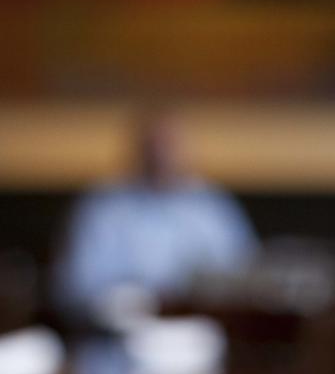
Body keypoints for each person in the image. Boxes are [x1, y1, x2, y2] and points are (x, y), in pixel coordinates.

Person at [53, 112, 257, 324]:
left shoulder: (212, 206)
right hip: (116, 333)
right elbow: (72, 287)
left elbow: (245, 277)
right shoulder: (102, 208)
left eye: (170, 145)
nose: (162, 155)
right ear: (137, 150)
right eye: (154, 146)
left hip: (201, 331)